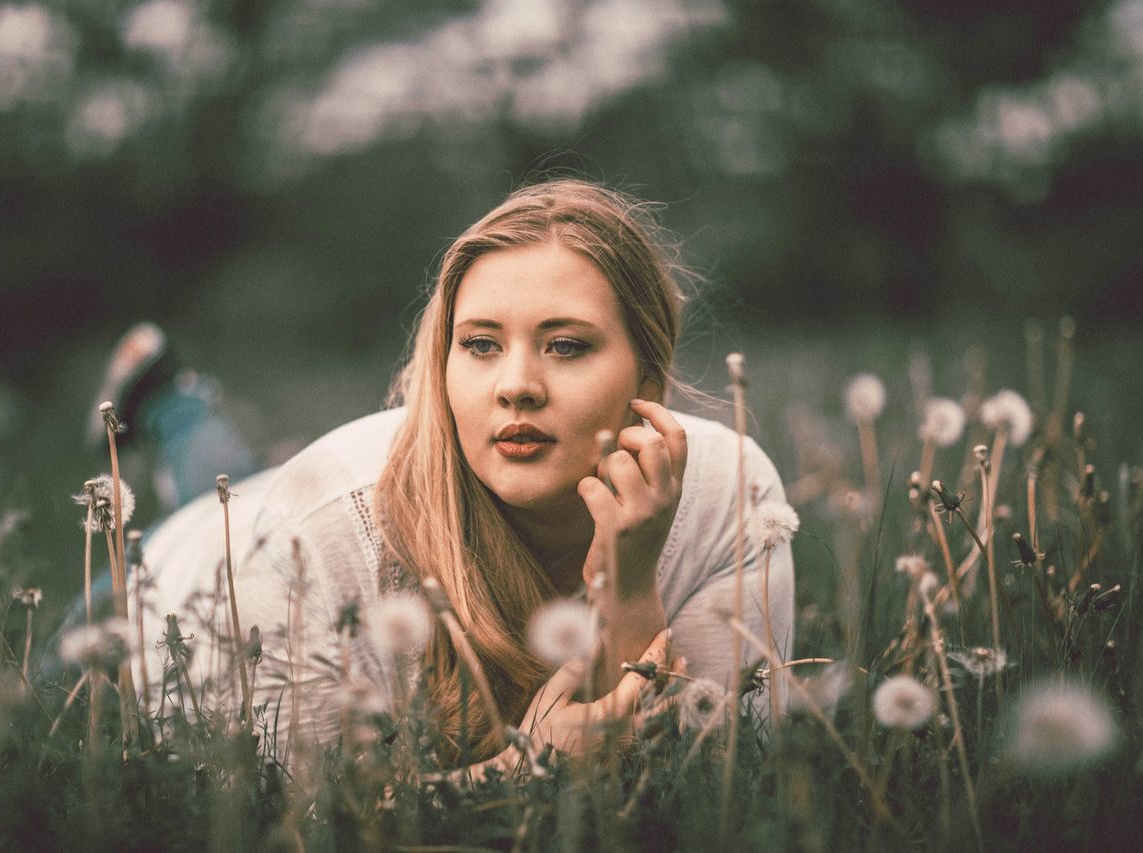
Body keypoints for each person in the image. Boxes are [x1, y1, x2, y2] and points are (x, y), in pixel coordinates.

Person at [130, 179, 794, 769]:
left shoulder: (729, 496)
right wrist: (526, 771)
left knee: (237, 477)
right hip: (162, 576)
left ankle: (175, 403)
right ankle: (179, 406)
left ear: (648, 375)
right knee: (213, 498)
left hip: (273, 501)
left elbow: (717, 773)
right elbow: (290, 820)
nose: (516, 386)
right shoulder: (322, 527)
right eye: (480, 344)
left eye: (566, 346)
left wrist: (628, 576)